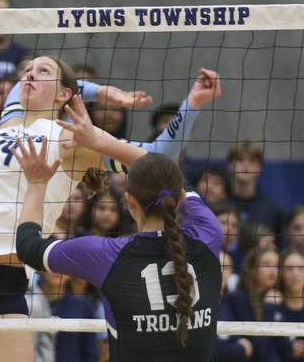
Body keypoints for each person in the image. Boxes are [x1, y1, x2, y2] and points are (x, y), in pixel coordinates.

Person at [0, 59, 214, 362]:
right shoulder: (9, 120)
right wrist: (102, 91)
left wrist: (193, 105)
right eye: (28, 69)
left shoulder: (75, 140)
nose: (29, 74)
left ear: (65, 94)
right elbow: (17, 89)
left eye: (43, 71)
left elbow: (159, 159)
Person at [16, 139, 223, 362]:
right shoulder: (208, 234)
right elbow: (175, 176)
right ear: (180, 198)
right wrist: (98, 137)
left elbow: (28, 247)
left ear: (129, 202)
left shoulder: (107, 254)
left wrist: (37, 183)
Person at [216, 245, 279, 362]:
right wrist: (269, 308)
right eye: (266, 264)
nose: (272, 270)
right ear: (253, 269)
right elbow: (258, 350)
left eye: (276, 265)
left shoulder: (280, 297)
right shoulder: (238, 299)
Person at [226, 141, 284, 238]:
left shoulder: (272, 209)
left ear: (259, 167)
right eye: (240, 160)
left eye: (252, 161)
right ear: (230, 165)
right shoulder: (218, 204)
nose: (246, 166)